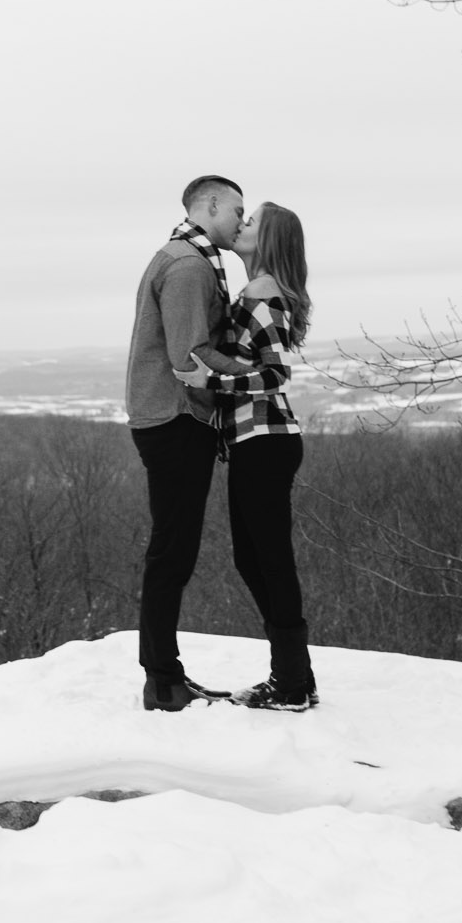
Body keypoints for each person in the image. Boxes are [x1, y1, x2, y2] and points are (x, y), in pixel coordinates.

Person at [175, 200, 317, 711]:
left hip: (267, 440)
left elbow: (276, 374)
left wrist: (211, 379)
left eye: (252, 221)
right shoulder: (258, 289)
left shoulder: (263, 292)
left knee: (270, 562)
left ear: (270, 239)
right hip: (256, 442)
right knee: (255, 560)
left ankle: (293, 685)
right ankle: (296, 677)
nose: (242, 225)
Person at [125, 175, 252, 711]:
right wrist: (257, 369)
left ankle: (164, 675)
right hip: (175, 418)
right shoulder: (188, 265)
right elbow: (188, 355)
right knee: (172, 553)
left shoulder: (190, 258)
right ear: (211, 204)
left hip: (171, 418)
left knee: (173, 550)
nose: (242, 223)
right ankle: (162, 680)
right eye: (237, 211)